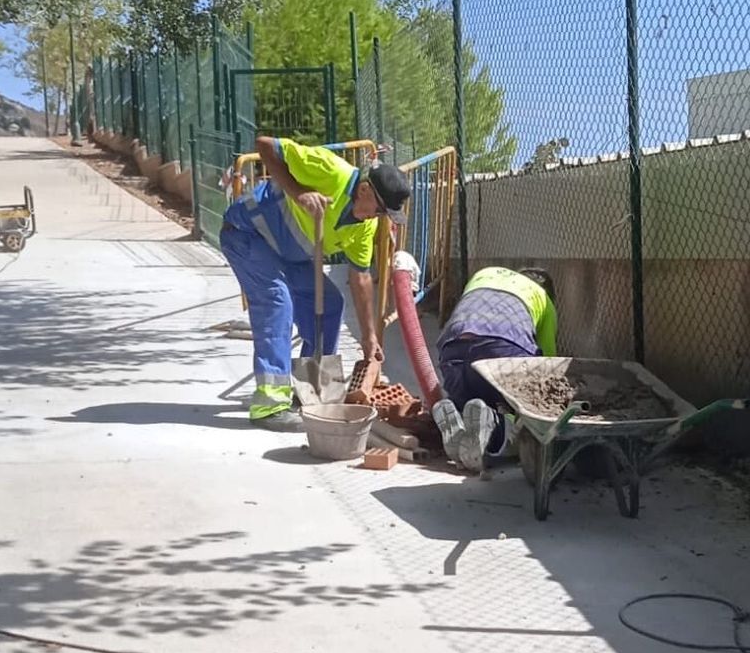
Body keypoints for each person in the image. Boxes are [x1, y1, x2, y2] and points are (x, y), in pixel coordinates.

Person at [219, 136, 410, 428]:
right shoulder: (330, 170)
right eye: (382, 209)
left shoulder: (364, 226)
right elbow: (265, 145)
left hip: (288, 254)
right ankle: (270, 405)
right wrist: (298, 193)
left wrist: (369, 336)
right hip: (247, 234)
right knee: (276, 302)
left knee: (331, 305)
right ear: (364, 190)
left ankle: (306, 388)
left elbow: (360, 278)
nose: (381, 218)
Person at [433, 266, 558, 472]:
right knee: (518, 401)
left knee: (468, 398)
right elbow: (548, 366)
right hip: (501, 350)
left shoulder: (485, 274)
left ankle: (457, 414)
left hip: (452, 348)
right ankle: (495, 424)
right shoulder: (543, 300)